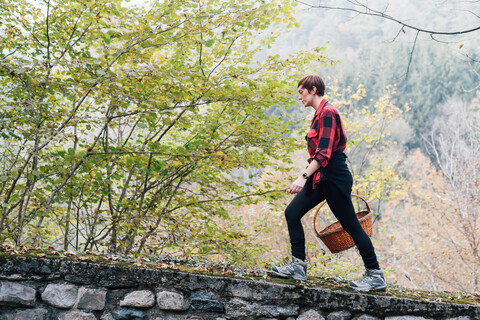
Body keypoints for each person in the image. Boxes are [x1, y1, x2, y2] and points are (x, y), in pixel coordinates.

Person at [270, 74, 387, 291]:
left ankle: (375, 275)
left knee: (351, 224)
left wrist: (302, 177)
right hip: (321, 178)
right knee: (292, 213)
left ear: (313, 89)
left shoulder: (328, 113)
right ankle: (298, 266)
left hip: (334, 178)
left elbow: (323, 154)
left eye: (301, 92)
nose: (300, 97)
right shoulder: (318, 115)